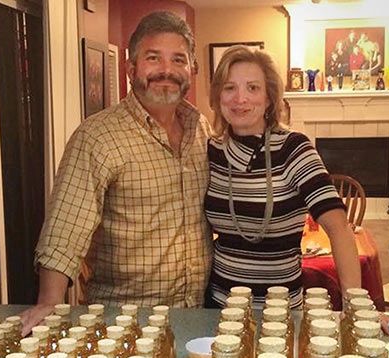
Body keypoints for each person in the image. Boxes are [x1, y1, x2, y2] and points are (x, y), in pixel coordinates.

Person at [20, 11, 212, 335]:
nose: (166, 70)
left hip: (196, 317)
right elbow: (65, 230)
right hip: (123, 323)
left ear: (191, 69)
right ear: (131, 67)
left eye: (178, 59)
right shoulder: (98, 136)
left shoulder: (202, 129)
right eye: (153, 58)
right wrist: (49, 301)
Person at [203, 45, 362, 310]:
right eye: (229, 88)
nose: (240, 98)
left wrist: (355, 305)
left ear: (268, 99)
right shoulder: (211, 151)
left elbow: (339, 227)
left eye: (252, 88)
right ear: (218, 96)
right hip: (220, 309)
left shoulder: (294, 148)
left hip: (281, 315)